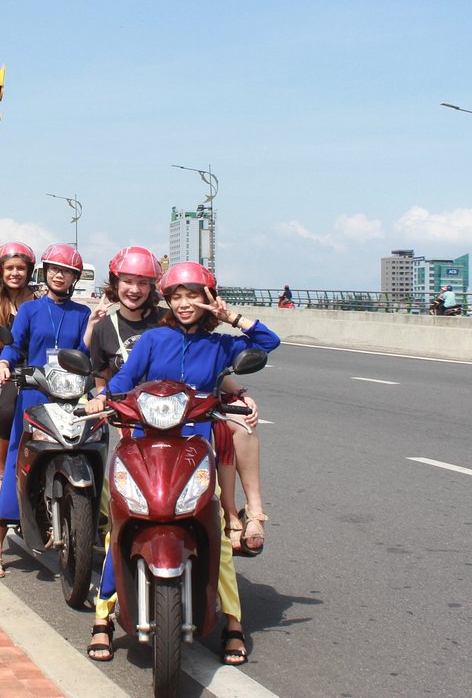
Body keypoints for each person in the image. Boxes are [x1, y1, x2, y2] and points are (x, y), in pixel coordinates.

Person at [83, 261, 280, 667]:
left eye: (194, 295)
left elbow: (268, 342)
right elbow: (123, 383)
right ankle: (103, 619)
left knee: (219, 538)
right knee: (117, 527)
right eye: (176, 296)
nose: (185, 303)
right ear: (167, 301)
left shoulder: (222, 345)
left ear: (208, 299)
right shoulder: (154, 340)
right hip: (144, 445)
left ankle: (233, 623)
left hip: (194, 448)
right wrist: (104, 400)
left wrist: (232, 317)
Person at [0, 244, 91, 579]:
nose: (60, 276)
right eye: (54, 270)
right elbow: (15, 345)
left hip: (69, 398)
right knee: (19, 462)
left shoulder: (83, 314)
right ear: (45, 273)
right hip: (34, 394)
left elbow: (88, 354)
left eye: (67, 271)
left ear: (75, 278)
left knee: (87, 453)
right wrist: (4, 363)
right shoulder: (31, 310)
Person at [0, 243, 38, 524]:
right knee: (7, 411)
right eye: (9, 268)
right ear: (0, 272)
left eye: (20, 268)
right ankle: (2, 474)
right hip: (12, 372)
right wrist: (4, 366)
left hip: (45, 372)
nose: (15, 273)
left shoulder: (40, 301)